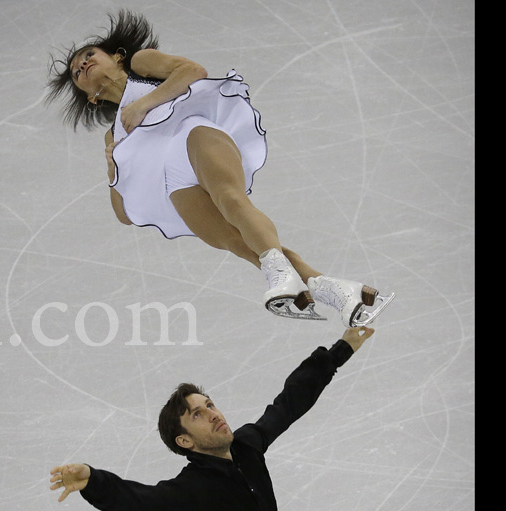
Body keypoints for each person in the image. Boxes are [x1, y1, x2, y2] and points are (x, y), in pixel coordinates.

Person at [46, 10, 393, 327]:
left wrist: (144, 106)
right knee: (233, 240)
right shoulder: (113, 136)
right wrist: (112, 170)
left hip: (196, 135)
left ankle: (289, 278)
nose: (83, 65)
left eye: (89, 55)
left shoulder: (141, 64)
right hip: (174, 177)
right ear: (89, 96)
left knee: (231, 200)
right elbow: (124, 214)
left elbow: (192, 71)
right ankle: (334, 289)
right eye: (77, 72)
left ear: (117, 56)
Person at [50, 325, 376, 511]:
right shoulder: (191, 490)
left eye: (209, 404)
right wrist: (93, 480)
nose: (213, 413)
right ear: (185, 441)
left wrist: (340, 351)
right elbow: (140, 501)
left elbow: (290, 402)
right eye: (198, 414)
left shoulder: (246, 446)